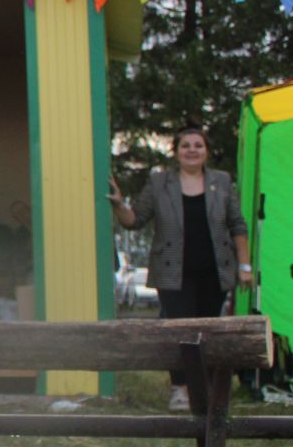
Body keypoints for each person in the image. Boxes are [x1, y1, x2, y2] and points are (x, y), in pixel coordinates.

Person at [108, 125, 252, 410]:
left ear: (206, 152)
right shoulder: (160, 182)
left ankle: (207, 390)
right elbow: (134, 220)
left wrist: (245, 265)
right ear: (176, 152)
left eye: (198, 145)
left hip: (214, 271)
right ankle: (180, 389)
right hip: (173, 272)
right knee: (179, 331)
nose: (192, 150)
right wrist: (118, 204)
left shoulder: (221, 182)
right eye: (186, 145)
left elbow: (237, 225)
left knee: (209, 330)